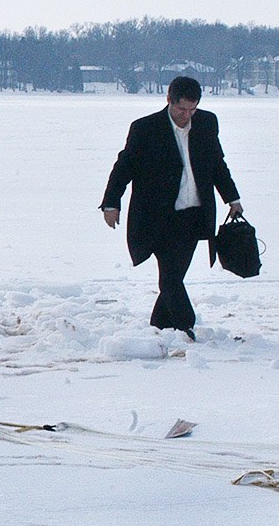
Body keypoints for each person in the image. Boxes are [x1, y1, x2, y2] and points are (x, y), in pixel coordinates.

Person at [100, 76, 243, 339]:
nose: (187, 115)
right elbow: (124, 167)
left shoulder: (207, 123)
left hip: (194, 214)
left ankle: (160, 325)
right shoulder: (145, 129)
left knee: (174, 274)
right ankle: (185, 325)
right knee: (171, 276)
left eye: (192, 109)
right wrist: (111, 203)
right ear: (169, 101)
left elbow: (217, 165)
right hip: (159, 217)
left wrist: (232, 199)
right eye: (182, 109)